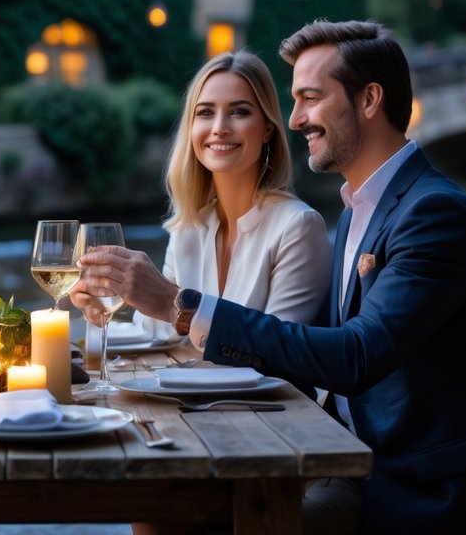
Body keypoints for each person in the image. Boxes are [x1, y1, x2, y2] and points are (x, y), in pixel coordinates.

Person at [78, 20, 466, 534]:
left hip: (416, 490)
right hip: (344, 461)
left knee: (183, 520)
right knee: (160, 514)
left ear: (369, 100)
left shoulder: (432, 214)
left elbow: (354, 356)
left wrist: (183, 305)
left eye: (310, 99)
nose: (294, 120)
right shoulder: (361, 210)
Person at [97, 50, 331, 345]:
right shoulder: (188, 227)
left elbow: (278, 350)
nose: (219, 127)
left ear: (267, 130)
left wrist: (177, 304)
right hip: (185, 391)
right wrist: (106, 306)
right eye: (206, 112)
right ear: (191, 128)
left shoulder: (298, 227)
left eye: (239, 111)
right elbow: (160, 330)